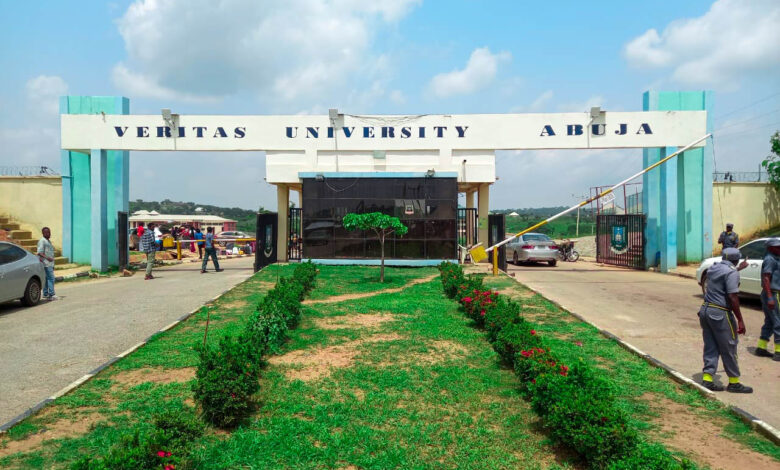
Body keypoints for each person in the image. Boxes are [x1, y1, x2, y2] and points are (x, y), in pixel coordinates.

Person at [698, 247, 752, 393]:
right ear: (736, 259)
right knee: (729, 346)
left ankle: (707, 379)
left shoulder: (713, 268)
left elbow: (725, 275)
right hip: (720, 313)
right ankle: (734, 382)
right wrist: (740, 320)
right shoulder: (732, 272)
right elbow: (733, 297)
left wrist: (738, 269)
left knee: (711, 345)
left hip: (705, 310)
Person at [756, 238, 780, 361]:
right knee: (778, 321)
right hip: (773, 294)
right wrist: (770, 297)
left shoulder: (775, 257)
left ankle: (761, 347)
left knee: (770, 322)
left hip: (770, 294)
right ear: (770, 248)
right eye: (777, 247)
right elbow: (766, 278)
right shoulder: (770, 259)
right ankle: (778, 351)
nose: (779, 249)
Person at [36, 227, 57, 300]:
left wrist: (52, 264)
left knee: (46, 279)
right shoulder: (42, 241)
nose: (48, 234)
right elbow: (39, 253)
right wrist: (47, 258)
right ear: (43, 233)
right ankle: (52, 294)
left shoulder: (48, 241)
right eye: (46, 232)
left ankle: (45, 294)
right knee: (51, 278)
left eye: (49, 232)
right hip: (46, 263)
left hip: (49, 264)